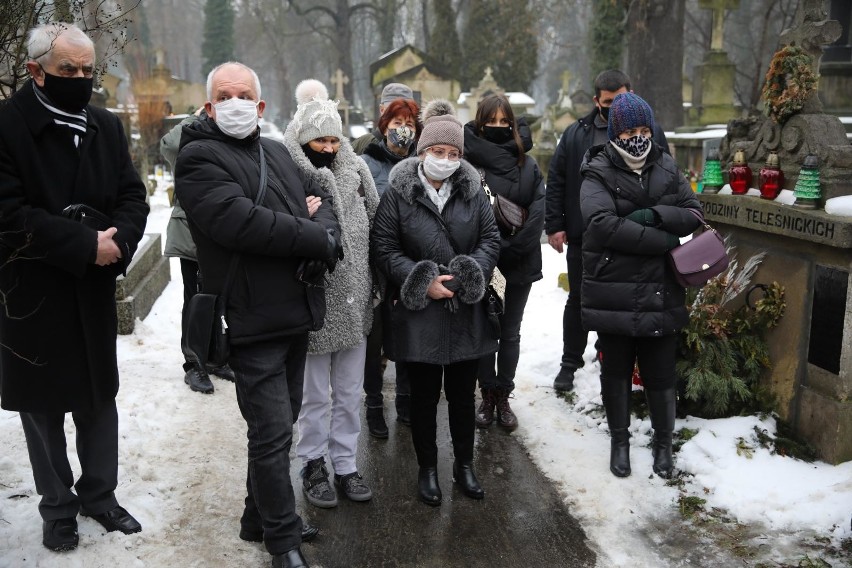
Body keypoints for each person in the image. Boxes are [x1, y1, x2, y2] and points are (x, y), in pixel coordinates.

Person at [176, 62, 340, 568]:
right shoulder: (199, 157)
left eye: (244, 93)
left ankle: (258, 515)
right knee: (270, 432)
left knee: (283, 423)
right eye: (224, 95)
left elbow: (322, 199)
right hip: (248, 317)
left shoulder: (275, 151)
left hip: (293, 310)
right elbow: (240, 223)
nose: (234, 101)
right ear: (209, 106)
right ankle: (282, 541)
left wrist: (323, 231)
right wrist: (313, 235)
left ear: (261, 105)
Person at [0, 23, 149, 552]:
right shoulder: (8, 125)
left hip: (89, 290)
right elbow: (7, 214)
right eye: (70, 71)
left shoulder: (104, 125)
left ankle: (100, 495)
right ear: (36, 71)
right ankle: (58, 506)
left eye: (89, 70)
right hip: (33, 290)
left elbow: (133, 195)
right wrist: (84, 243)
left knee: (96, 397)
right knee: (42, 407)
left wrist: (117, 243)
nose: (82, 79)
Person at [371, 100, 500, 506]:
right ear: (423, 152)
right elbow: (385, 246)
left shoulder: (473, 192)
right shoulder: (398, 193)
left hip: (465, 309)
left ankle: (464, 465)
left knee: (463, 395)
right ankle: (427, 469)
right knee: (424, 398)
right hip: (419, 312)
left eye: (453, 154)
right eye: (437, 152)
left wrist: (466, 274)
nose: (445, 160)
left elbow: (491, 240)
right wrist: (422, 279)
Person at [578, 92, 701, 480]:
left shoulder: (665, 164)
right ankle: (620, 441)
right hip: (613, 287)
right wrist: (663, 239)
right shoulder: (597, 170)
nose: (638, 137)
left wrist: (653, 214)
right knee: (615, 370)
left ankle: (663, 445)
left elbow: (693, 213)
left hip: (660, 288)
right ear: (616, 132)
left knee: (661, 372)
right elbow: (600, 224)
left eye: (644, 129)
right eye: (629, 130)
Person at [282, 79, 379, 509]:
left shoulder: (356, 170)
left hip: (357, 300)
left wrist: (379, 283)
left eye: (334, 137)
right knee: (314, 396)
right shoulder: (290, 173)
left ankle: (345, 462)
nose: (328, 145)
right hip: (315, 302)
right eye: (319, 138)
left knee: (350, 391)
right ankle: (313, 462)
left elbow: (378, 222)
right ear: (304, 139)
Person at [546, 70, 670, 393]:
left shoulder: (649, 131)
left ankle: (611, 359)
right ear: (596, 101)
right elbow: (557, 178)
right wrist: (555, 225)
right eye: (608, 102)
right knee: (579, 300)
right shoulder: (577, 134)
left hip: (632, 234)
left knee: (621, 301)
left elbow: (666, 175)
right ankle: (570, 361)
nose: (615, 108)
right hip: (586, 234)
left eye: (621, 99)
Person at [463, 93, 545, 431]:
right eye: (490, 121)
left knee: (510, 332)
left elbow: (538, 213)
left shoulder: (528, 164)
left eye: (503, 121)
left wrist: (510, 247)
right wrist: (489, 253)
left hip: (519, 262)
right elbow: (465, 215)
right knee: (484, 329)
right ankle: (486, 394)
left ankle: (504, 395)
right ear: (480, 123)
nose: (497, 127)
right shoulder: (467, 163)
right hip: (484, 263)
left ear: (512, 124)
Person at [160, 108, 237, 394]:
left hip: (223, 230)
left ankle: (216, 357)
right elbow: (167, 145)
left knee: (219, 297)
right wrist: (195, 118)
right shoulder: (190, 136)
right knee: (195, 298)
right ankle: (194, 363)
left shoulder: (230, 137)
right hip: (191, 230)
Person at [359, 97, 421, 438]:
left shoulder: (421, 162)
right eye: (397, 122)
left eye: (410, 123)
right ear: (384, 126)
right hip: (376, 264)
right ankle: (372, 404)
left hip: (411, 262)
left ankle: (405, 399)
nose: (404, 129)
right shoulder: (366, 163)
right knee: (376, 337)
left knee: (409, 333)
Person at [351, 82, 414, 154]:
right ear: (382, 110)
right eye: (392, 109)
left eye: (404, 109)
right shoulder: (363, 145)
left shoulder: (418, 145)